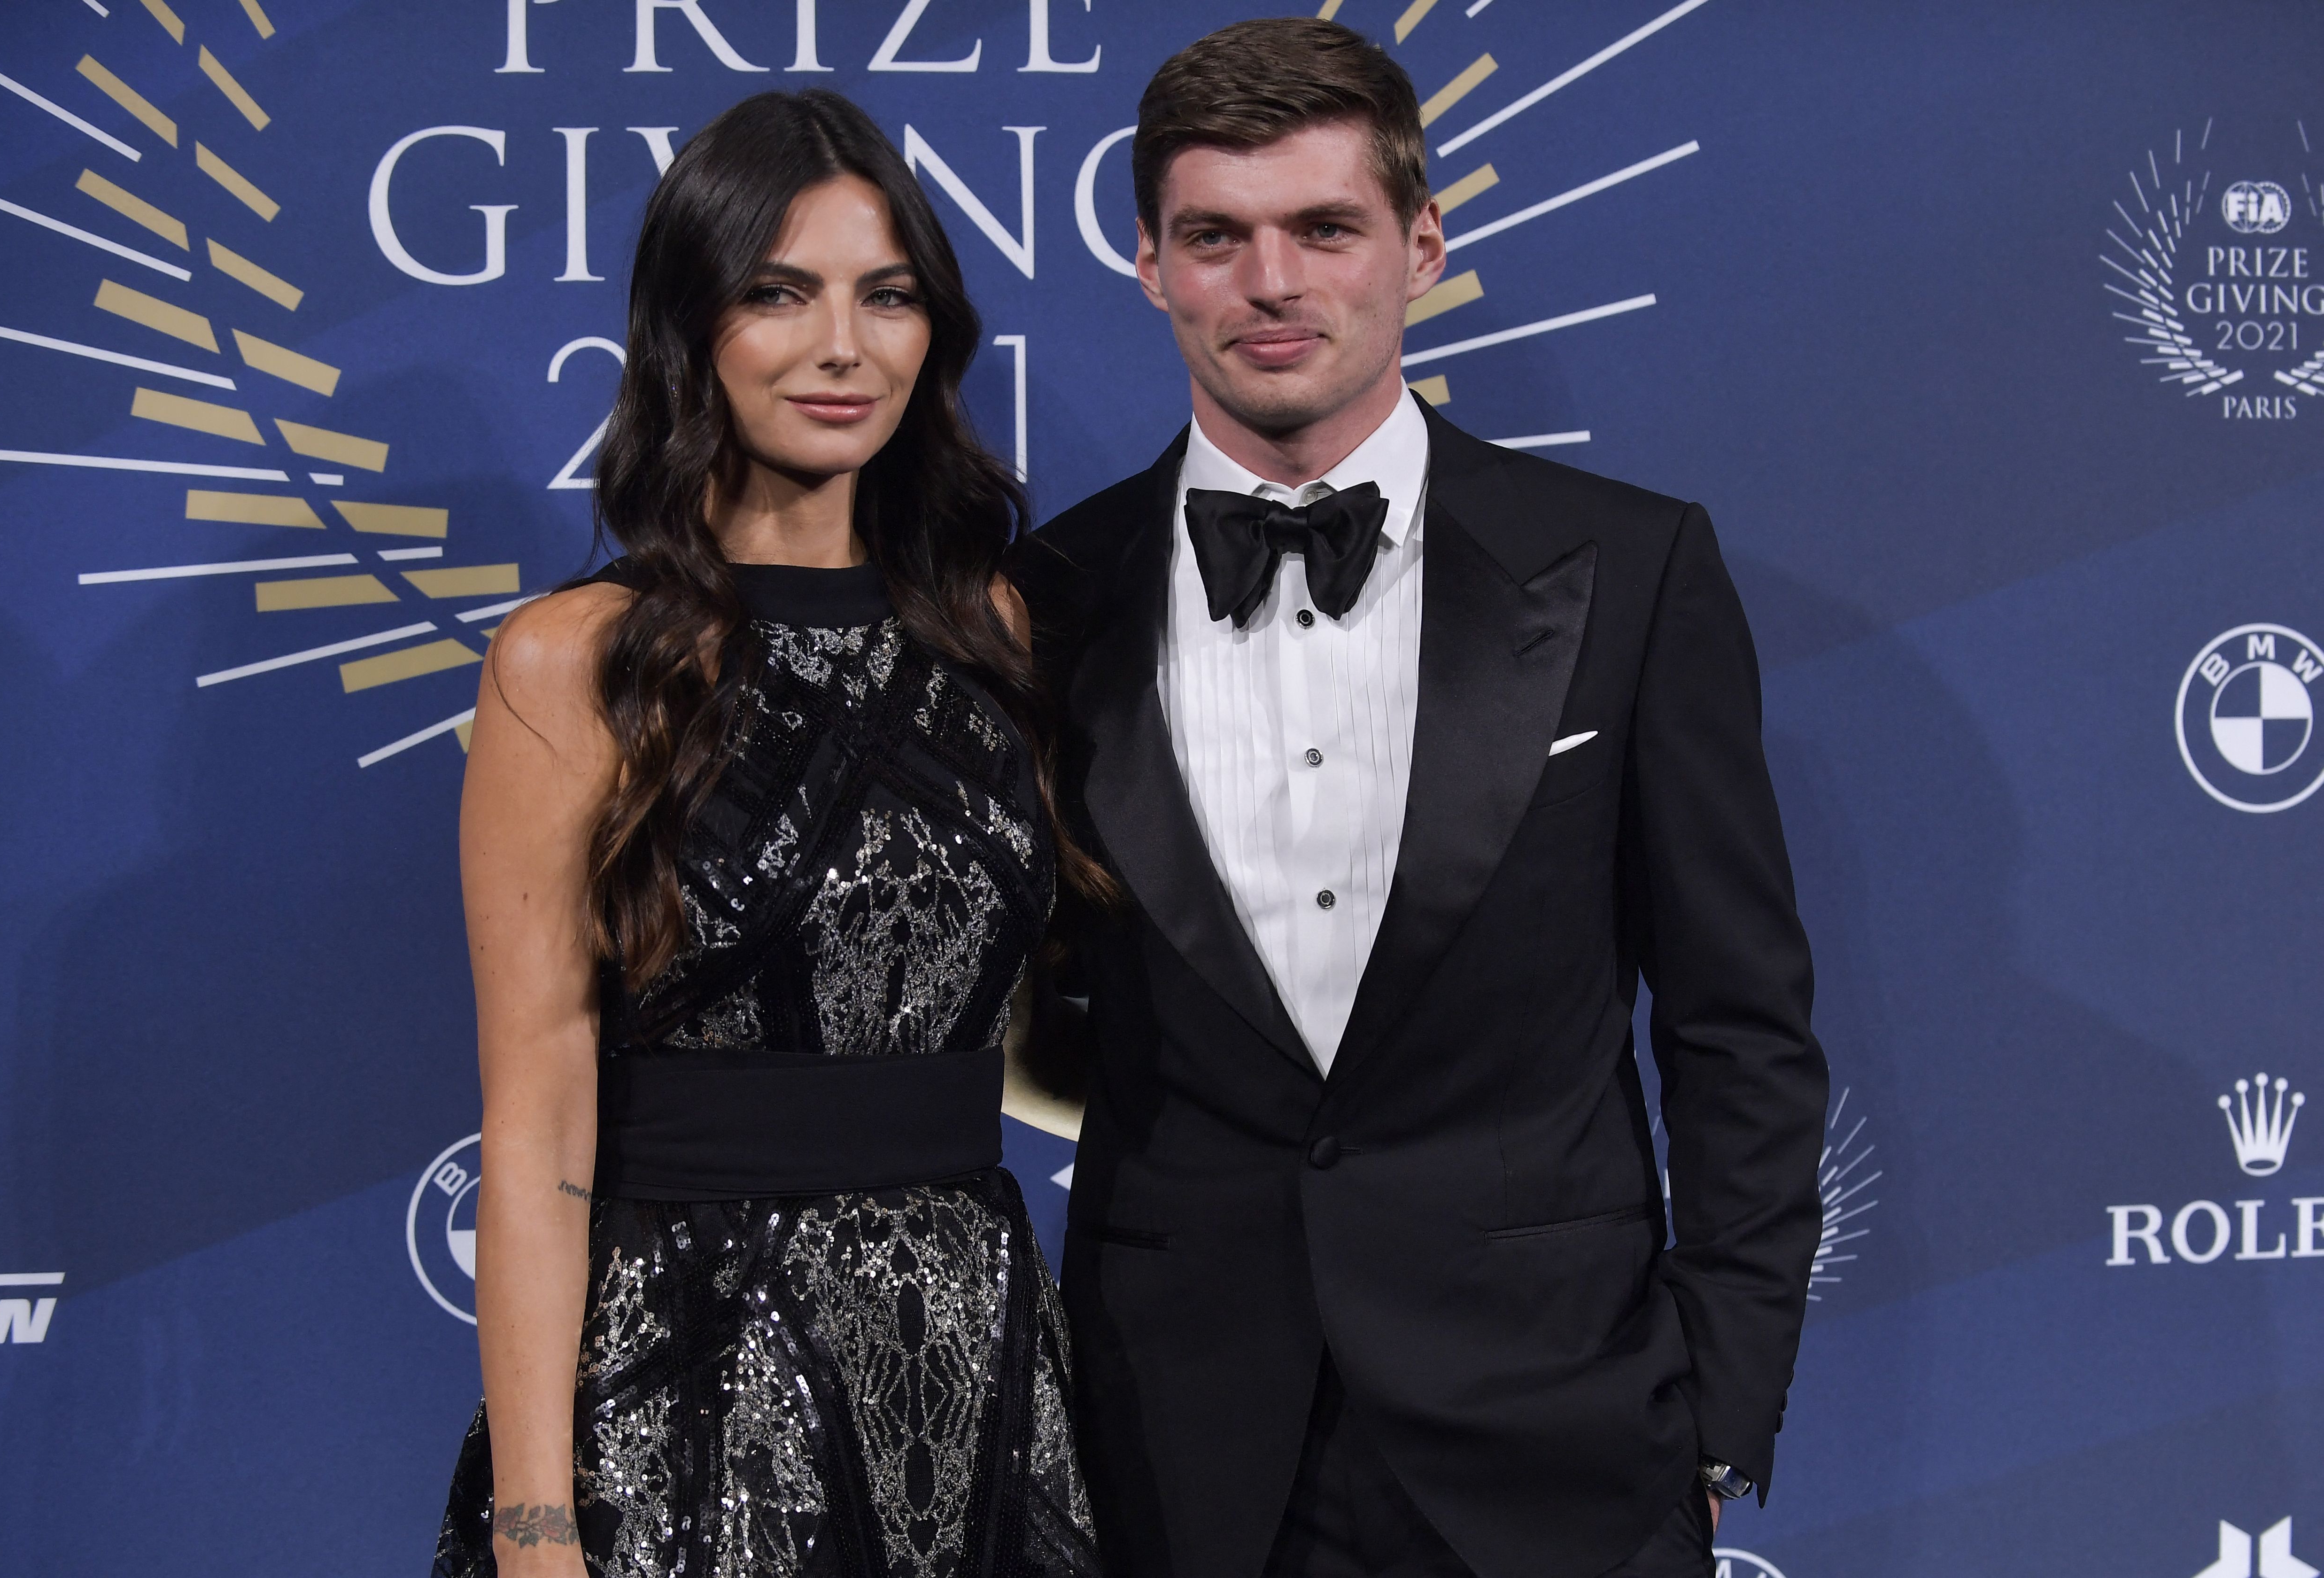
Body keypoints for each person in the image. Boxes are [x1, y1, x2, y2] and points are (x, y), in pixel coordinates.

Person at [1010, 19, 1829, 1578]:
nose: (1271, 282)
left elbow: (1742, 1029)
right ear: (1150, 266)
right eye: (1216, 237)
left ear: (1422, 242)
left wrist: (1716, 1410)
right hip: (1176, 1445)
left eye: (1325, 227)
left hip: (1565, 1436)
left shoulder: (1632, 569)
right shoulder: (1039, 604)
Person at [432, 89, 1108, 1578]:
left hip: (976, 1356)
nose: (842, 347)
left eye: (888, 296)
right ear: (693, 330)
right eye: (778, 295)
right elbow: (537, 1119)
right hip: (688, 1384)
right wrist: (538, 1525)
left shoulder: (995, 629)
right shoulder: (576, 662)